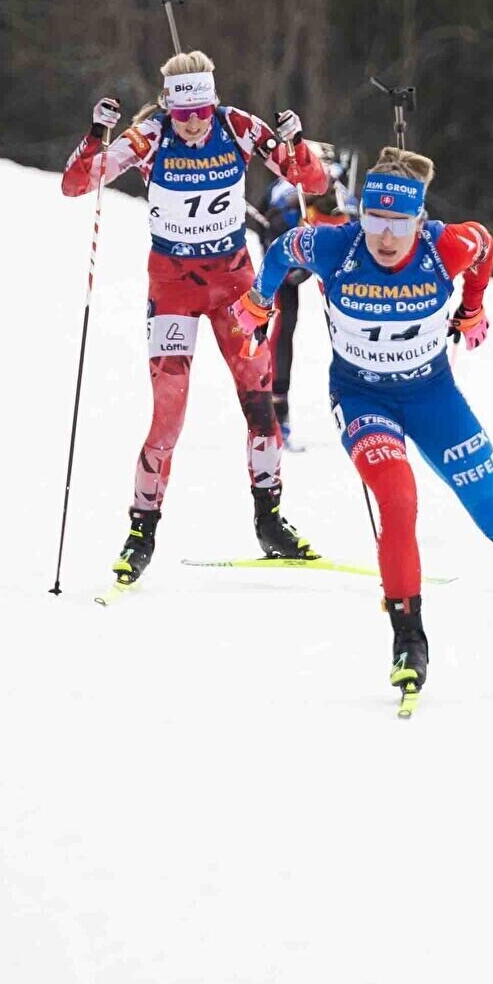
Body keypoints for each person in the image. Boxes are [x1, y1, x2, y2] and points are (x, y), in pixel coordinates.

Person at [244, 147, 493, 704]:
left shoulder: (446, 246)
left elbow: (485, 245)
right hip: (362, 398)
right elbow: (283, 248)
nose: (386, 237)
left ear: (420, 219)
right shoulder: (335, 245)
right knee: (398, 499)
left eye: (399, 223)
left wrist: (473, 307)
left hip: (432, 397)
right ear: (361, 215)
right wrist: (259, 301)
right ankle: (409, 640)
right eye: (375, 221)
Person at [60, 51, 330, 584]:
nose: (193, 123)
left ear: (213, 103)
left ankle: (270, 520)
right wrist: (95, 134)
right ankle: (141, 530)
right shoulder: (150, 136)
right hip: (174, 289)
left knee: (260, 404)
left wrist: (297, 143)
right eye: (183, 115)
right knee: (168, 415)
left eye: (201, 112)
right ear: (168, 108)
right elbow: (75, 184)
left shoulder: (237, 126)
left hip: (235, 287)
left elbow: (313, 181)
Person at [252, 139, 351, 446]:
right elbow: (269, 237)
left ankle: (361, 399)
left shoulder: (340, 198)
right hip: (287, 247)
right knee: (285, 322)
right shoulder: (284, 198)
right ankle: (277, 409)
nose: (321, 187)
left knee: (344, 319)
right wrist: (291, 270)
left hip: (328, 253)